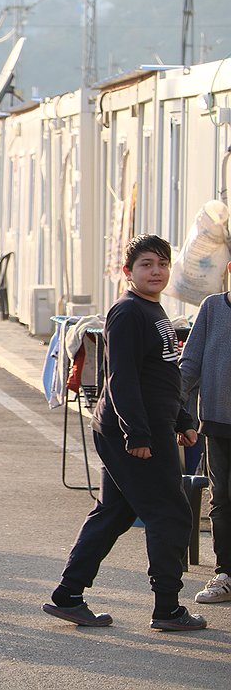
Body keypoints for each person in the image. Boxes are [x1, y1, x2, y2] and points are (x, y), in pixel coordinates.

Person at [43, 234, 206, 632]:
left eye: (162, 264)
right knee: (170, 514)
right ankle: (167, 609)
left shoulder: (154, 310)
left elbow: (163, 375)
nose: (156, 271)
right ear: (128, 272)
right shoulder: (129, 312)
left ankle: (68, 595)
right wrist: (139, 434)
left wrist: (183, 418)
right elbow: (122, 379)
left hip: (149, 426)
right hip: (135, 434)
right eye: (146, 264)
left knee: (114, 512)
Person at [179, 259, 231, 605]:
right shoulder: (213, 307)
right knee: (223, 498)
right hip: (218, 421)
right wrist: (172, 407)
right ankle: (225, 572)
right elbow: (190, 362)